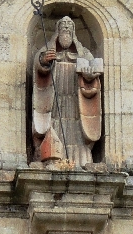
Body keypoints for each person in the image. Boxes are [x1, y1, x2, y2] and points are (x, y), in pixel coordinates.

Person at [32, 15, 103, 168]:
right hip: (54, 98)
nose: (66, 28)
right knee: (54, 123)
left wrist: (89, 75)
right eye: (63, 25)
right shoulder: (48, 50)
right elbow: (38, 65)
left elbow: (93, 69)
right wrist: (44, 60)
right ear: (57, 31)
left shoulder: (83, 52)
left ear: (73, 32)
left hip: (76, 102)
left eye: (69, 27)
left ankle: (80, 161)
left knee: (77, 130)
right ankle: (51, 157)